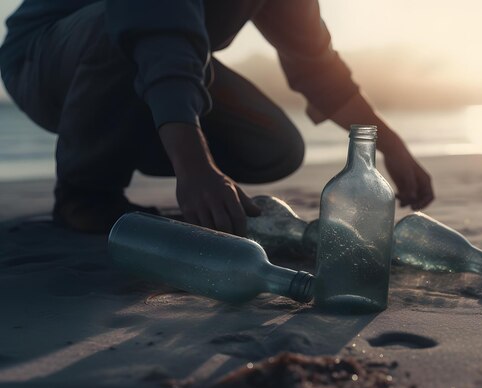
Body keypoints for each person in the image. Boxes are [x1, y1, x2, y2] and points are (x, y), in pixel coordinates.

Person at [0, 0, 434, 235]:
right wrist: (194, 166)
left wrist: (391, 147)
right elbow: (157, 28)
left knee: (275, 146)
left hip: (165, 57)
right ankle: (84, 194)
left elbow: (317, 68)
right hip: (46, 56)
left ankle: (129, 133)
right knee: (124, 26)